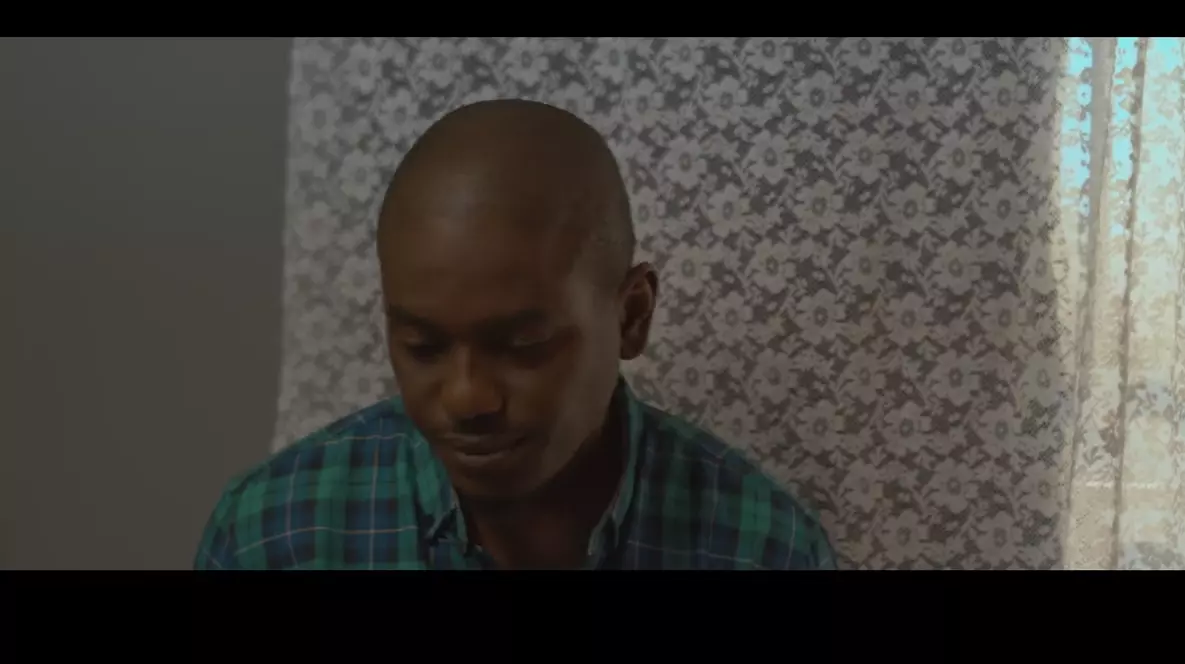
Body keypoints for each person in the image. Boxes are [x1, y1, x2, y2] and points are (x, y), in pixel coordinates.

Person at [194, 98, 837, 570]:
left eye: (524, 347)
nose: (466, 397)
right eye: (423, 347)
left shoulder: (762, 551)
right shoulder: (273, 538)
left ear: (631, 316)